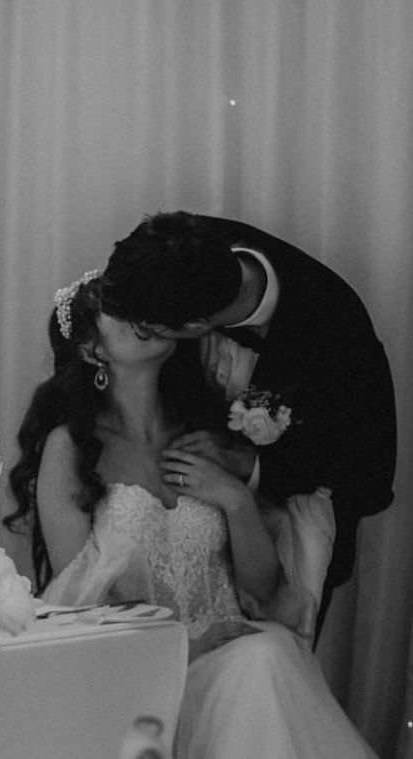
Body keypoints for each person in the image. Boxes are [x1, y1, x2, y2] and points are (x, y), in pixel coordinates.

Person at [5, 272, 377, 759]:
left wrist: (235, 499)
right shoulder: (71, 449)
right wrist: (185, 641)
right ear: (93, 350)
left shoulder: (205, 430)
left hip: (234, 650)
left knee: (266, 654)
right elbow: (79, 610)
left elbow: (265, 591)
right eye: (119, 311)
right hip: (140, 672)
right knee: (263, 660)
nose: (144, 317)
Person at [100, 211, 396, 632]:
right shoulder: (177, 253)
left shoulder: (335, 326)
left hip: (293, 510)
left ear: (197, 327)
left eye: (147, 330)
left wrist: (249, 467)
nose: (136, 334)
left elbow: (364, 467)